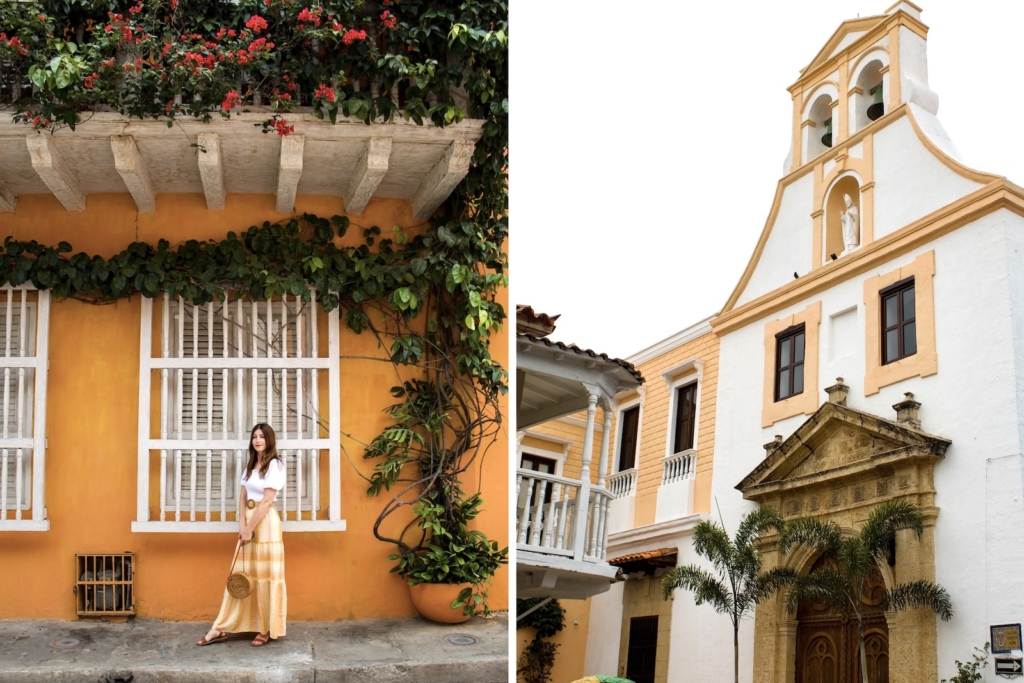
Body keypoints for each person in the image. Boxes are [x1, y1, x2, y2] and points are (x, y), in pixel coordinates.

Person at [197, 423, 287, 647]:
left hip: (265, 523)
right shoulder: (251, 465)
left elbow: (267, 501)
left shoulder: (274, 465)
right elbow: (242, 496)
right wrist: (241, 524)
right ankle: (220, 627)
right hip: (248, 521)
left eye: (262, 437)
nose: (258, 440)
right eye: (255, 436)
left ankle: (265, 628)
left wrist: (250, 527)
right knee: (239, 575)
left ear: (269, 440)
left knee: (264, 577)